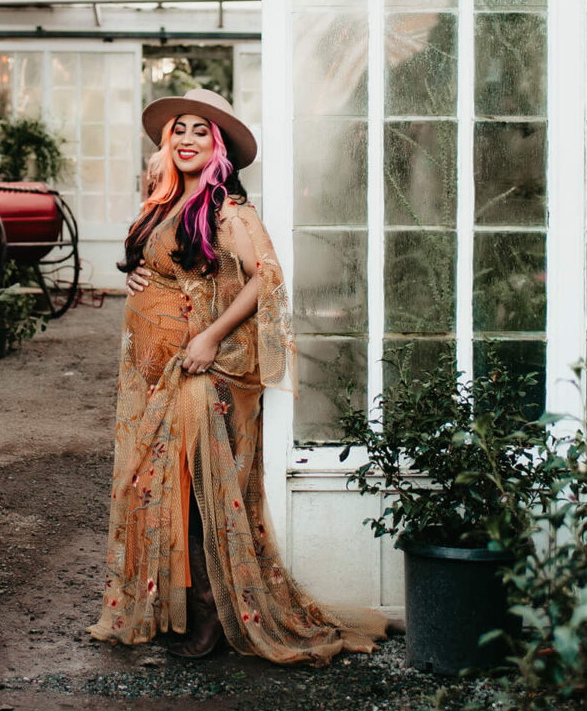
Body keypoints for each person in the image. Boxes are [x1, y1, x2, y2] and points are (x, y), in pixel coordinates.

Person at [89, 89, 385, 664]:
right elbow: (162, 265)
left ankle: (212, 616)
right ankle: (176, 609)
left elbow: (262, 278)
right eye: (180, 129)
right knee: (160, 488)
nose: (188, 139)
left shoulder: (229, 209)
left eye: (202, 131)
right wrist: (134, 280)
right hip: (158, 376)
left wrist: (210, 336)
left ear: (218, 145)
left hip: (204, 371)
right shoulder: (163, 204)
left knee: (203, 494)